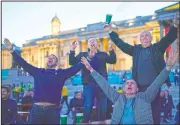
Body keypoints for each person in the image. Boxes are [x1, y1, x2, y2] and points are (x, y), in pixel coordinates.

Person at [104, 11, 179, 124]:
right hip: (139, 89)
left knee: (154, 114)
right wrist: (110, 31)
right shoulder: (136, 50)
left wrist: (175, 25)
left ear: (151, 38)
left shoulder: (157, 48)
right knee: (141, 115)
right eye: (142, 36)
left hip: (154, 88)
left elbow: (169, 38)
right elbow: (121, 44)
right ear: (140, 39)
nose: (144, 37)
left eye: (147, 35)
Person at [81, 46, 178, 124]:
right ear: (123, 89)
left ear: (137, 89)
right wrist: (91, 70)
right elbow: (104, 84)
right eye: (127, 83)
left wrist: (168, 67)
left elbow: (157, 83)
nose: (129, 84)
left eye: (132, 83)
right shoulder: (117, 98)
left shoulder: (145, 97)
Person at [3, 38, 85, 124]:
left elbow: (74, 69)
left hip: (52, 111)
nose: (50, 58)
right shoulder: (38, 71)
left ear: (56, 63)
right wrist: (12, 51)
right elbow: (23, 63)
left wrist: (86, 59)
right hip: (37, 110)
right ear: (46, 62)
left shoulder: (61, 73)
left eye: (53, 58)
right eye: (49, 57)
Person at [69, 38, 116, 122]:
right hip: (88, 83)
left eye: (94, 41)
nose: (92, 42)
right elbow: (72, 62)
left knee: (102, 106)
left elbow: (113, 61)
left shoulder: (103, 54)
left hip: (102, 84)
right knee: (88, 104)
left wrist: (111, 50)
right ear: (87, 44)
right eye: (90, 41)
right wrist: (72, 50)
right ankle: (86, 122)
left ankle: (101, 122)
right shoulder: (82, 55)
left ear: (97, 44)